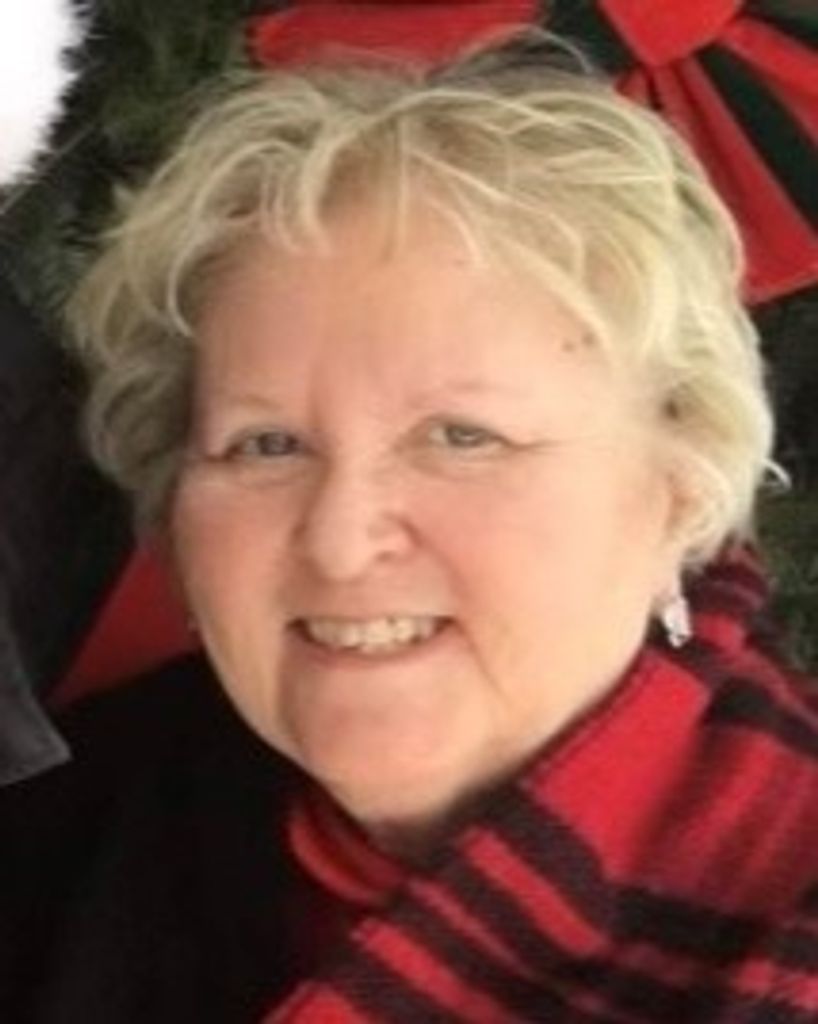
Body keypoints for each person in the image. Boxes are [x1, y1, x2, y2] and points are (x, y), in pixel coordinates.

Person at [2, 32, 817, 1023]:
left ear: (679, 487)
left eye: (461, 436)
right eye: (265, 445)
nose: (340, 541)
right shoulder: (57, 839)